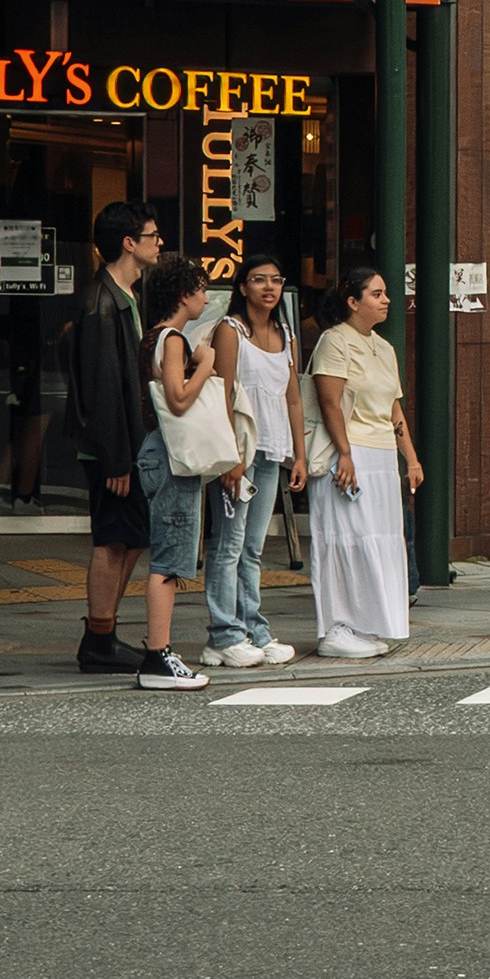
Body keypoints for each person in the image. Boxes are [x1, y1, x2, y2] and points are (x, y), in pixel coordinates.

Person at [72, 203, 173, 674]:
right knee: (112, 539)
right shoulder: (101, 302)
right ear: (129, 243)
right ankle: (98, 640)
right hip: (113, 448)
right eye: (152, 236)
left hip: (126, 444)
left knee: (129, 537)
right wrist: (116, 459)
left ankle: (103, 633)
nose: (159, 243)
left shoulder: (123, 296)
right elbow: (103, 386)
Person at [305, 264, 424, 657]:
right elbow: (329, 402)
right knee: (345, 537)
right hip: (350, 452)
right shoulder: (334, 341)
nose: (386, 299)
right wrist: (344, 453)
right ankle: (337, 627)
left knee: (380, 538)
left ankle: (365, 623)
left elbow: (394, 410)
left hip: (381, 455)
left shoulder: (384, 347)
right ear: (353, 302)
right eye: (376, 293)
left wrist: (412, 459)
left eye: (385, 293)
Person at [130, 261, 235, 684]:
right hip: (172, 453)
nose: (206, 299)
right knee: (170, 558)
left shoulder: (152, 337)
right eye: (200, 290)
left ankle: (160, 653)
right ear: (182, 294)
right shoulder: (172, 339)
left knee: (169, 555)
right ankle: (159, 654)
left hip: (158, 450)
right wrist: (207, 365)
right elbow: (177, 399)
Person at [196, 256, 301, 671]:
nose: (269, 288)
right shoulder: (231, 330)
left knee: (253, 548)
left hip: (273, 451)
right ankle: (223, 635)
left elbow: (293, 397)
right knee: (228, 545)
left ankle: (253, 630)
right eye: (259, 280)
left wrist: (301, 456)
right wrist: (229, 457)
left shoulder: (286, 332)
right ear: (242, 288)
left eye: (276, 280)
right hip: (240, 452)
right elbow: (222, 394)